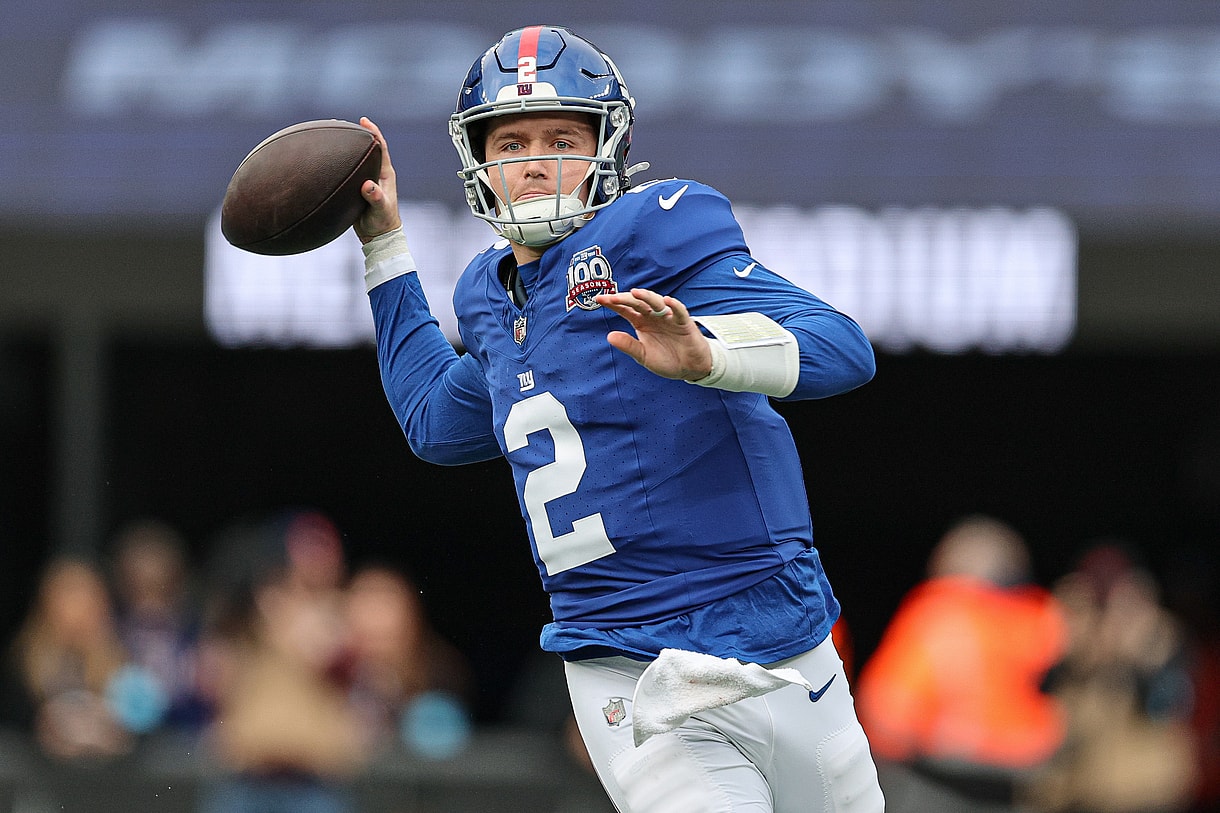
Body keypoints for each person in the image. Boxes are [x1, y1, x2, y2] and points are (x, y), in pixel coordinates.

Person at [352, 25, 883, 813]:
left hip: (786, 641)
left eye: (561, 137)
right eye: (512, 141)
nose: (535, 162)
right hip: (631, 668)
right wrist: (384, 248)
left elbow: (843, 348)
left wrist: (710, 354)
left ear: (609, 146)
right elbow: (436, 420)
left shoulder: (656, 233)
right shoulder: (489, 297)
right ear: (480, 160)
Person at [854, 515, 1068, 812]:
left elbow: (886, 712)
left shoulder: (937, 613)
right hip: (1016, 783)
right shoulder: (1043, 618)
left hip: (938, 784)